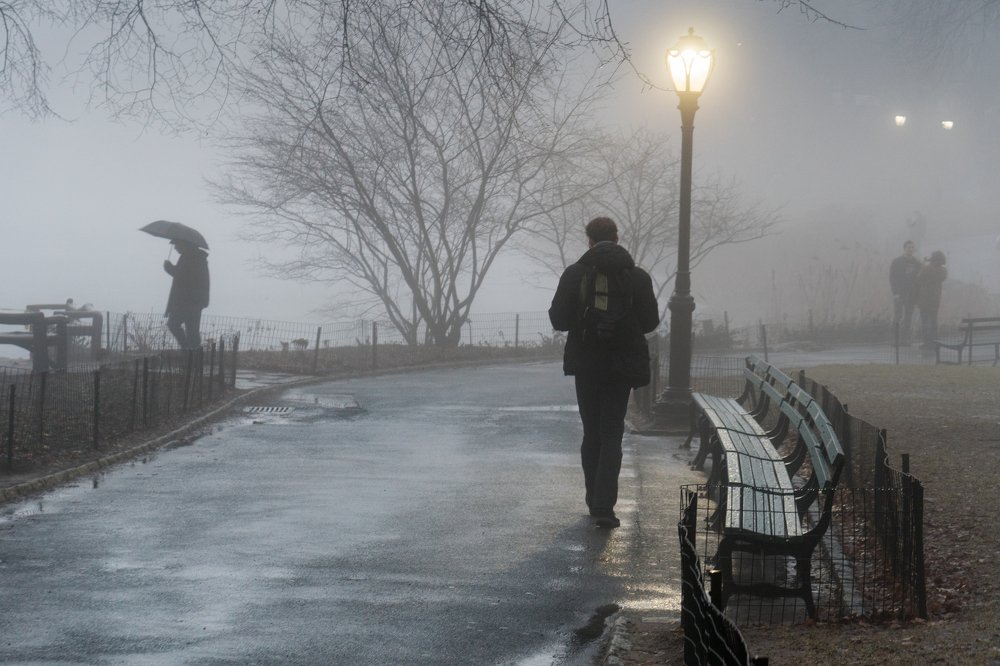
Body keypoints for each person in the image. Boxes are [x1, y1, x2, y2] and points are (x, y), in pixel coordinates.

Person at [548, 217, 660, 529]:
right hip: (621, 365)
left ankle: (591, 498)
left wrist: (585, 321)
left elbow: (558, 318)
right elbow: (650, 322)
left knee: (591, 432)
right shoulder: (636, 276)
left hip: (587, 364)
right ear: (617, 237)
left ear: (589, 240)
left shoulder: (576, 273)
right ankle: (604, 506)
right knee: (612, 433)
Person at [163, 239, 210, 349]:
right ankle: (194, 358)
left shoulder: (189, 257)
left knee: (173, 324)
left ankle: (187, 351)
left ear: (183, 244)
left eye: (177, 244)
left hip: (186, 301)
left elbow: (183, 277)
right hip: (196, 301)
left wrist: (169, 268)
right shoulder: (197, 257)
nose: (175, 248)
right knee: (192, 332)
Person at [889, 240, 921, 344]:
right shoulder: (897, 261)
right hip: (899, 293)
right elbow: (892, 278)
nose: (910, 249)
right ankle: (896, 339)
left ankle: (904, 339)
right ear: (904, 248)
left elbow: (920, 278)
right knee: (898, 316)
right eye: (908, 247)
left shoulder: (917, 263)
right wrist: (895, 293)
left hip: (911, 294)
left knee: (908, 316)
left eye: (912, 247)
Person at [916, 250, 947, 349]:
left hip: (925, 298)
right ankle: (935, 340)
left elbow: (918, 278)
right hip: (936, 299)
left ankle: (926, 342)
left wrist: (924, 264)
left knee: (925, 321)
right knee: (933, 320)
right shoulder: (943, 271)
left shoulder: (927, 268)